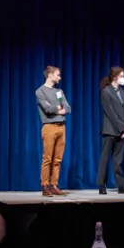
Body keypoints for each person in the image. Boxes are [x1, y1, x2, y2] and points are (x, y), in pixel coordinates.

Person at [98, 66, 124, 194]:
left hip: (122, 131)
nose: (123, 79)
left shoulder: (123, 92)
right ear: (114, 77)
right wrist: (122, 127)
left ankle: (121, 186)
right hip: (110, 130)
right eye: (121, 76)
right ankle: (102, 185)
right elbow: (111, 113)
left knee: (118, 160)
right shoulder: (106, 92)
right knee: (104, 158)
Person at [36, 65, 70, 196]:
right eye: (58, 75)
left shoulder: (59, 92)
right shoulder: (40, 91)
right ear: (50, 75)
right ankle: (45, 185)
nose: (59, 77)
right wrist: (58, 108)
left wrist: (57, 108)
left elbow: (67, 108)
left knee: (58, 159)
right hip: (49, 127)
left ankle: (54, 184)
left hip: (61, 127)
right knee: (48, 158)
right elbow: (47, 109)